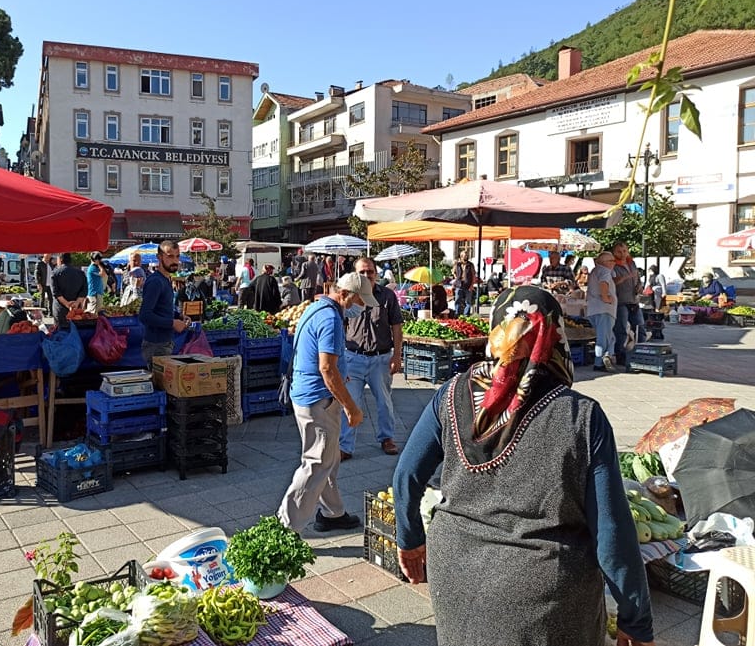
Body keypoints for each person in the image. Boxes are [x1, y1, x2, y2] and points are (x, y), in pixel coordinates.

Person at [392, 286, 655, 646]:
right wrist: (635, 618)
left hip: (456, 571)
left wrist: (410, 541)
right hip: (544, 594)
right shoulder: (581, 416)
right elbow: (612, 531)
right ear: (555, 336)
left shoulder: (452, 393)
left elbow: (406, 475)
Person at [277, 272, 375, 534]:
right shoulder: (330, 318)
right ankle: (286, 527)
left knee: (328, 459)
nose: (361, 307)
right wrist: (351, 407)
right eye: (359, 301)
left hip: (309, 395)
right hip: (318, 399)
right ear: (343, 294)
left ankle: (333, 513)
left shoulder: (317, 308)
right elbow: (327, 369)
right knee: (317, 462)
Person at [339, 257, 404, 460]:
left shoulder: (387, 296)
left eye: (370, 272)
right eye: (362, 272)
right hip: (354, 357)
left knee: (384, 402)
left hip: (380, 358)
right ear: (355, 274)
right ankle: (345, 446)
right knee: (350, 402)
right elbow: (339, 325)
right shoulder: (349, 296)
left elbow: (397, 326)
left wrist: (397, 355)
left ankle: (387, 438)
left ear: (376, 273)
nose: (367, 275)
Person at [139, 241, 190, 368]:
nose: (175, 261)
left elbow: (161, 309)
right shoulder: (155, 281)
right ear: (159, 257)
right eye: (170, 256)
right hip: (156, 345)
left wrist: (178, 316)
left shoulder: (165, 279)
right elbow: (144, 315)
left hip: (164, 342)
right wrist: (172, 323)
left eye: (177, 256)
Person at [612, 241, 644, 367]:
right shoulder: (613, 265)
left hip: (634, 300)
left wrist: (639, 286)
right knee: (621, 330)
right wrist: (626, 277)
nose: (623, 254)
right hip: (621, 301)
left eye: (624, 251)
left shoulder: (632, 263)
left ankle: (642, 352)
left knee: (640, 327)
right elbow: (612, 282)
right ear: (614, 252)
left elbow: (638, 279)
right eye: (619, 251)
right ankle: (620, 355)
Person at [587, 251, 618, 372]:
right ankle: (599, 362)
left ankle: (607, 356)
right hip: (604, 309)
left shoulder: (596, 271)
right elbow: (603, 283)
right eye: (611, 261)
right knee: (604, 338)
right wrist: (606, 297)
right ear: (604, 262)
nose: (614, 263)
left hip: (595, 309)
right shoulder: (604, 271)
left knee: (609, 337)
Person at [51, 252, 87, 328]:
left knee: (60, 332)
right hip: (76, 309)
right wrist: (76, 303)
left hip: (60, 308)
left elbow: (56, 292)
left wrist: (67, 304)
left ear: (60, 259)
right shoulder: (80, 273)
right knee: (75, 331)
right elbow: (84, 291)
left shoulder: (55, 273)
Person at [452, 249, 476, 316]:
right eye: (464, 255)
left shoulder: (470, 265)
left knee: (468, 301)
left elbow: (473, 275)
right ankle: (457, 313)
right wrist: (457, 278)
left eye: (466, 255)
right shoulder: (457, 264)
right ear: (461, 256)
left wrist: (472, 285)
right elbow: (453, 272)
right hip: (459, 285)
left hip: (468, 284)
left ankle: (466, 314)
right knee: (457, 300)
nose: (466, 256)